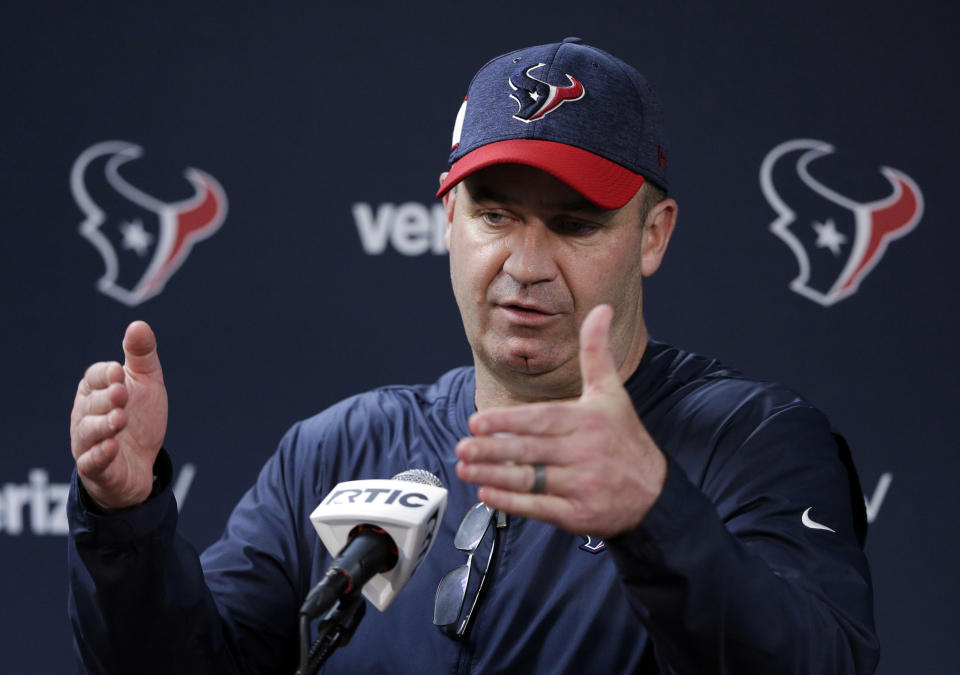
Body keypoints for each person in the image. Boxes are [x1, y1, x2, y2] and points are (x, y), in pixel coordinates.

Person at [67, 38, 879, 674]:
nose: (526, 264)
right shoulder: (338, 449)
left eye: (574, 224)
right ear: (448, 218)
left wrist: (655, 513)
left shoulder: (755, 442)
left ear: (653, 235)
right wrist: (126, 520)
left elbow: (820, 660)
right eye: (495, 215)